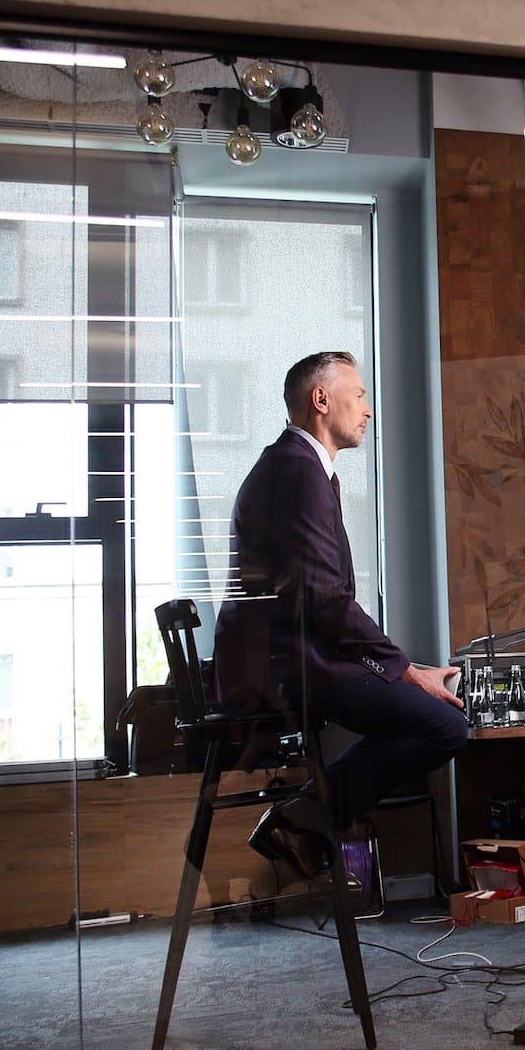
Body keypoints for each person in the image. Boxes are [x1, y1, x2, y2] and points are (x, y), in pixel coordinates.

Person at [213, 351, 468, 881]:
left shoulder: (296, 467)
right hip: (291, 670)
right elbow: (326, 600)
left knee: (431, 712)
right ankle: (299, 819)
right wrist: (403, 670)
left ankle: (305, 821)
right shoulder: (296, 472)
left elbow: (318, 600)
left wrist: (397, 668)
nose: (367, 409)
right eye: (359, 395)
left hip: (297, 660)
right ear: (321, 399)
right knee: (445, 726)